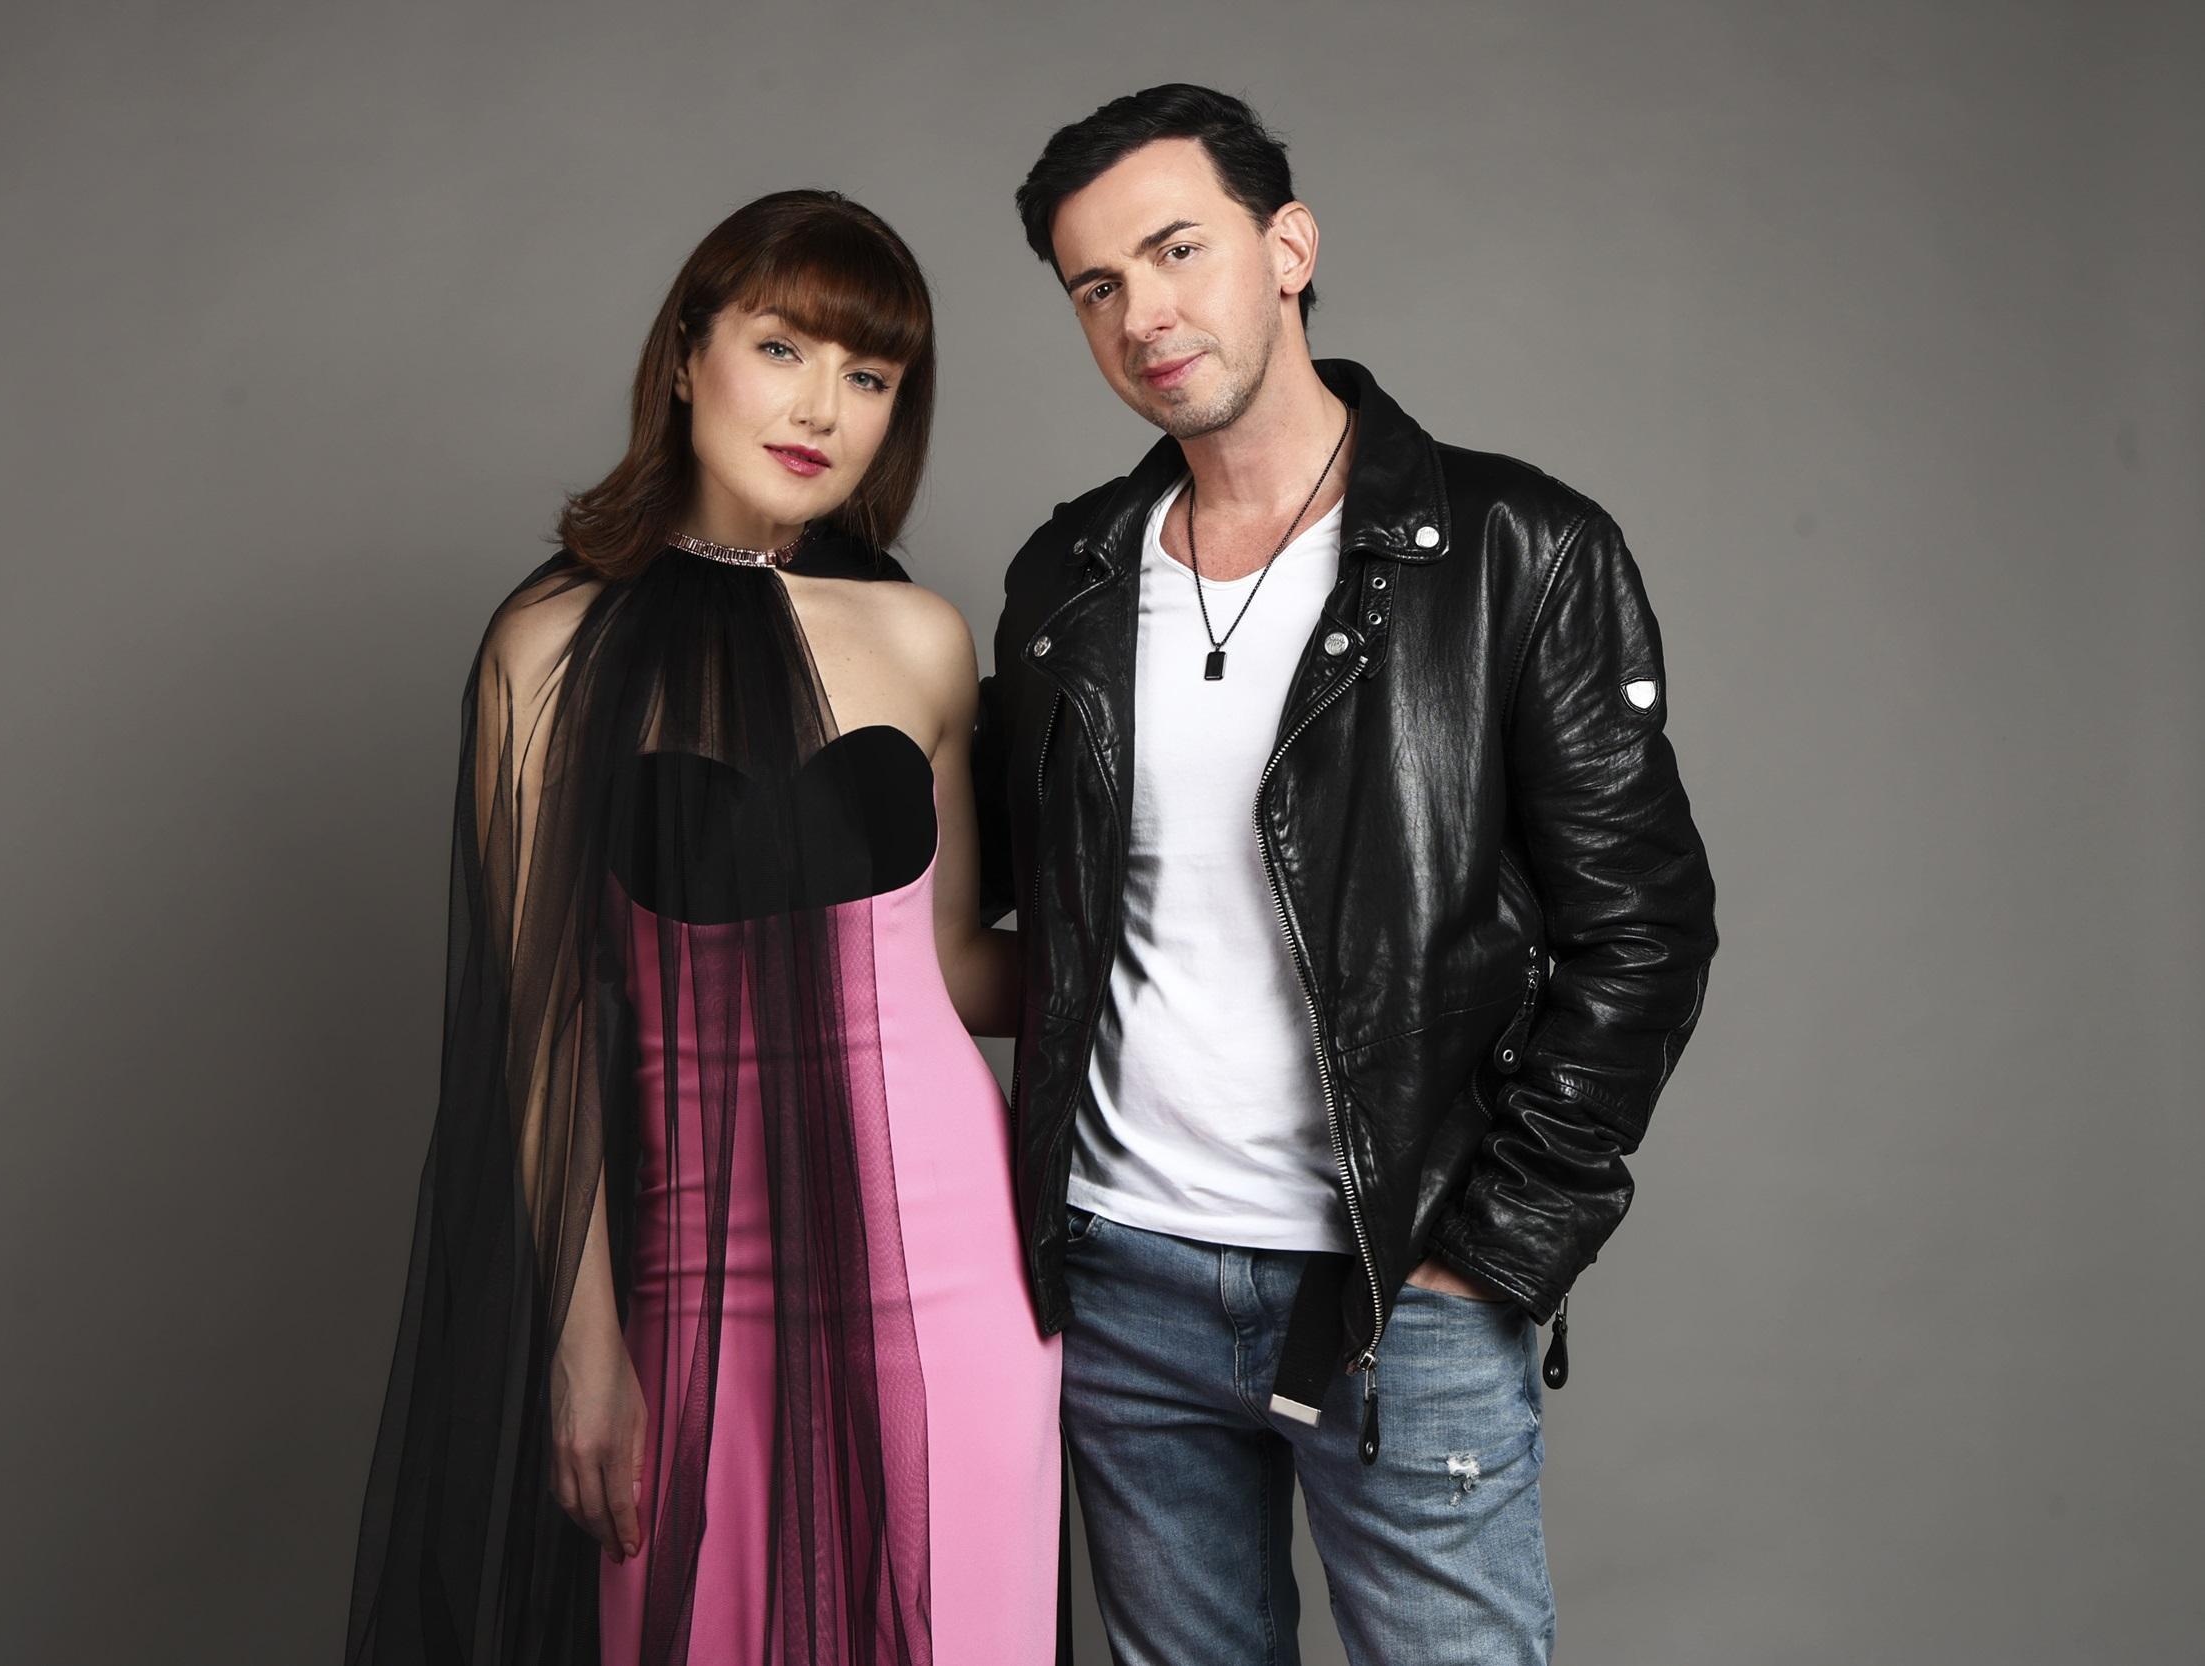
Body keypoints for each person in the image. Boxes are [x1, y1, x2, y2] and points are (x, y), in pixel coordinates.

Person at [974, 85, 1719, 1663]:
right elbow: (1020, 913)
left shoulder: (1519, 549)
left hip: (1399, 1289)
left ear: (1290, 248)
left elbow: (1646, 929)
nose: (1142, 313)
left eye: (1178, 249)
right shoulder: (1068, 581)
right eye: (1096, 285)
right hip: (1121, 1278)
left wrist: (1492, 1252)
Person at [346, 189, 1062, 1666]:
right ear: (686, 355)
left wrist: (1184, 943)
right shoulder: (546, 651)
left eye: (869, 376)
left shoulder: (923, 639)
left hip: (950, 1259)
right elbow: (543, 1026)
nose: (823, 410)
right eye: (783, 349)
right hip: (699, 1267)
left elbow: (956, 969)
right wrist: (583, 1347)